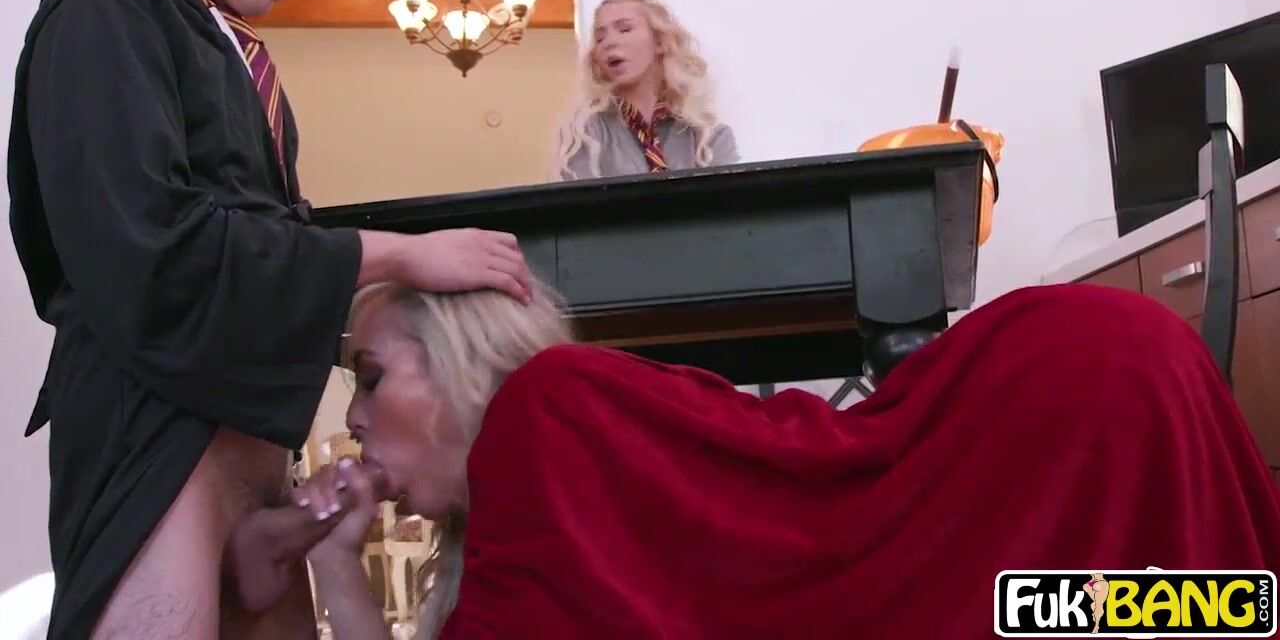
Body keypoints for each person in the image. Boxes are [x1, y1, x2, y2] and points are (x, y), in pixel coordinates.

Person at [5, 0, 534, 637]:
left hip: (248, 464)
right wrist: (398, 256)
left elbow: (248, 260)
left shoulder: (231, 48)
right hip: (155, 445)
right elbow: (148, 252)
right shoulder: (106, 8)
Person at [231, 279, 1280, 638]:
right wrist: (336, 562)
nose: (354, 417)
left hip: (1069, 388)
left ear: (455, 360)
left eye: (372, 374)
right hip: (1086, 383)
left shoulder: (545, 414)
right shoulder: (522, 522)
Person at [555, 0, 741, 180]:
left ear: (659, 41)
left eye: (625, 29)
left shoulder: (709, 138)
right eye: (600, 38)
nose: (609, 42)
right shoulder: (584, 134)